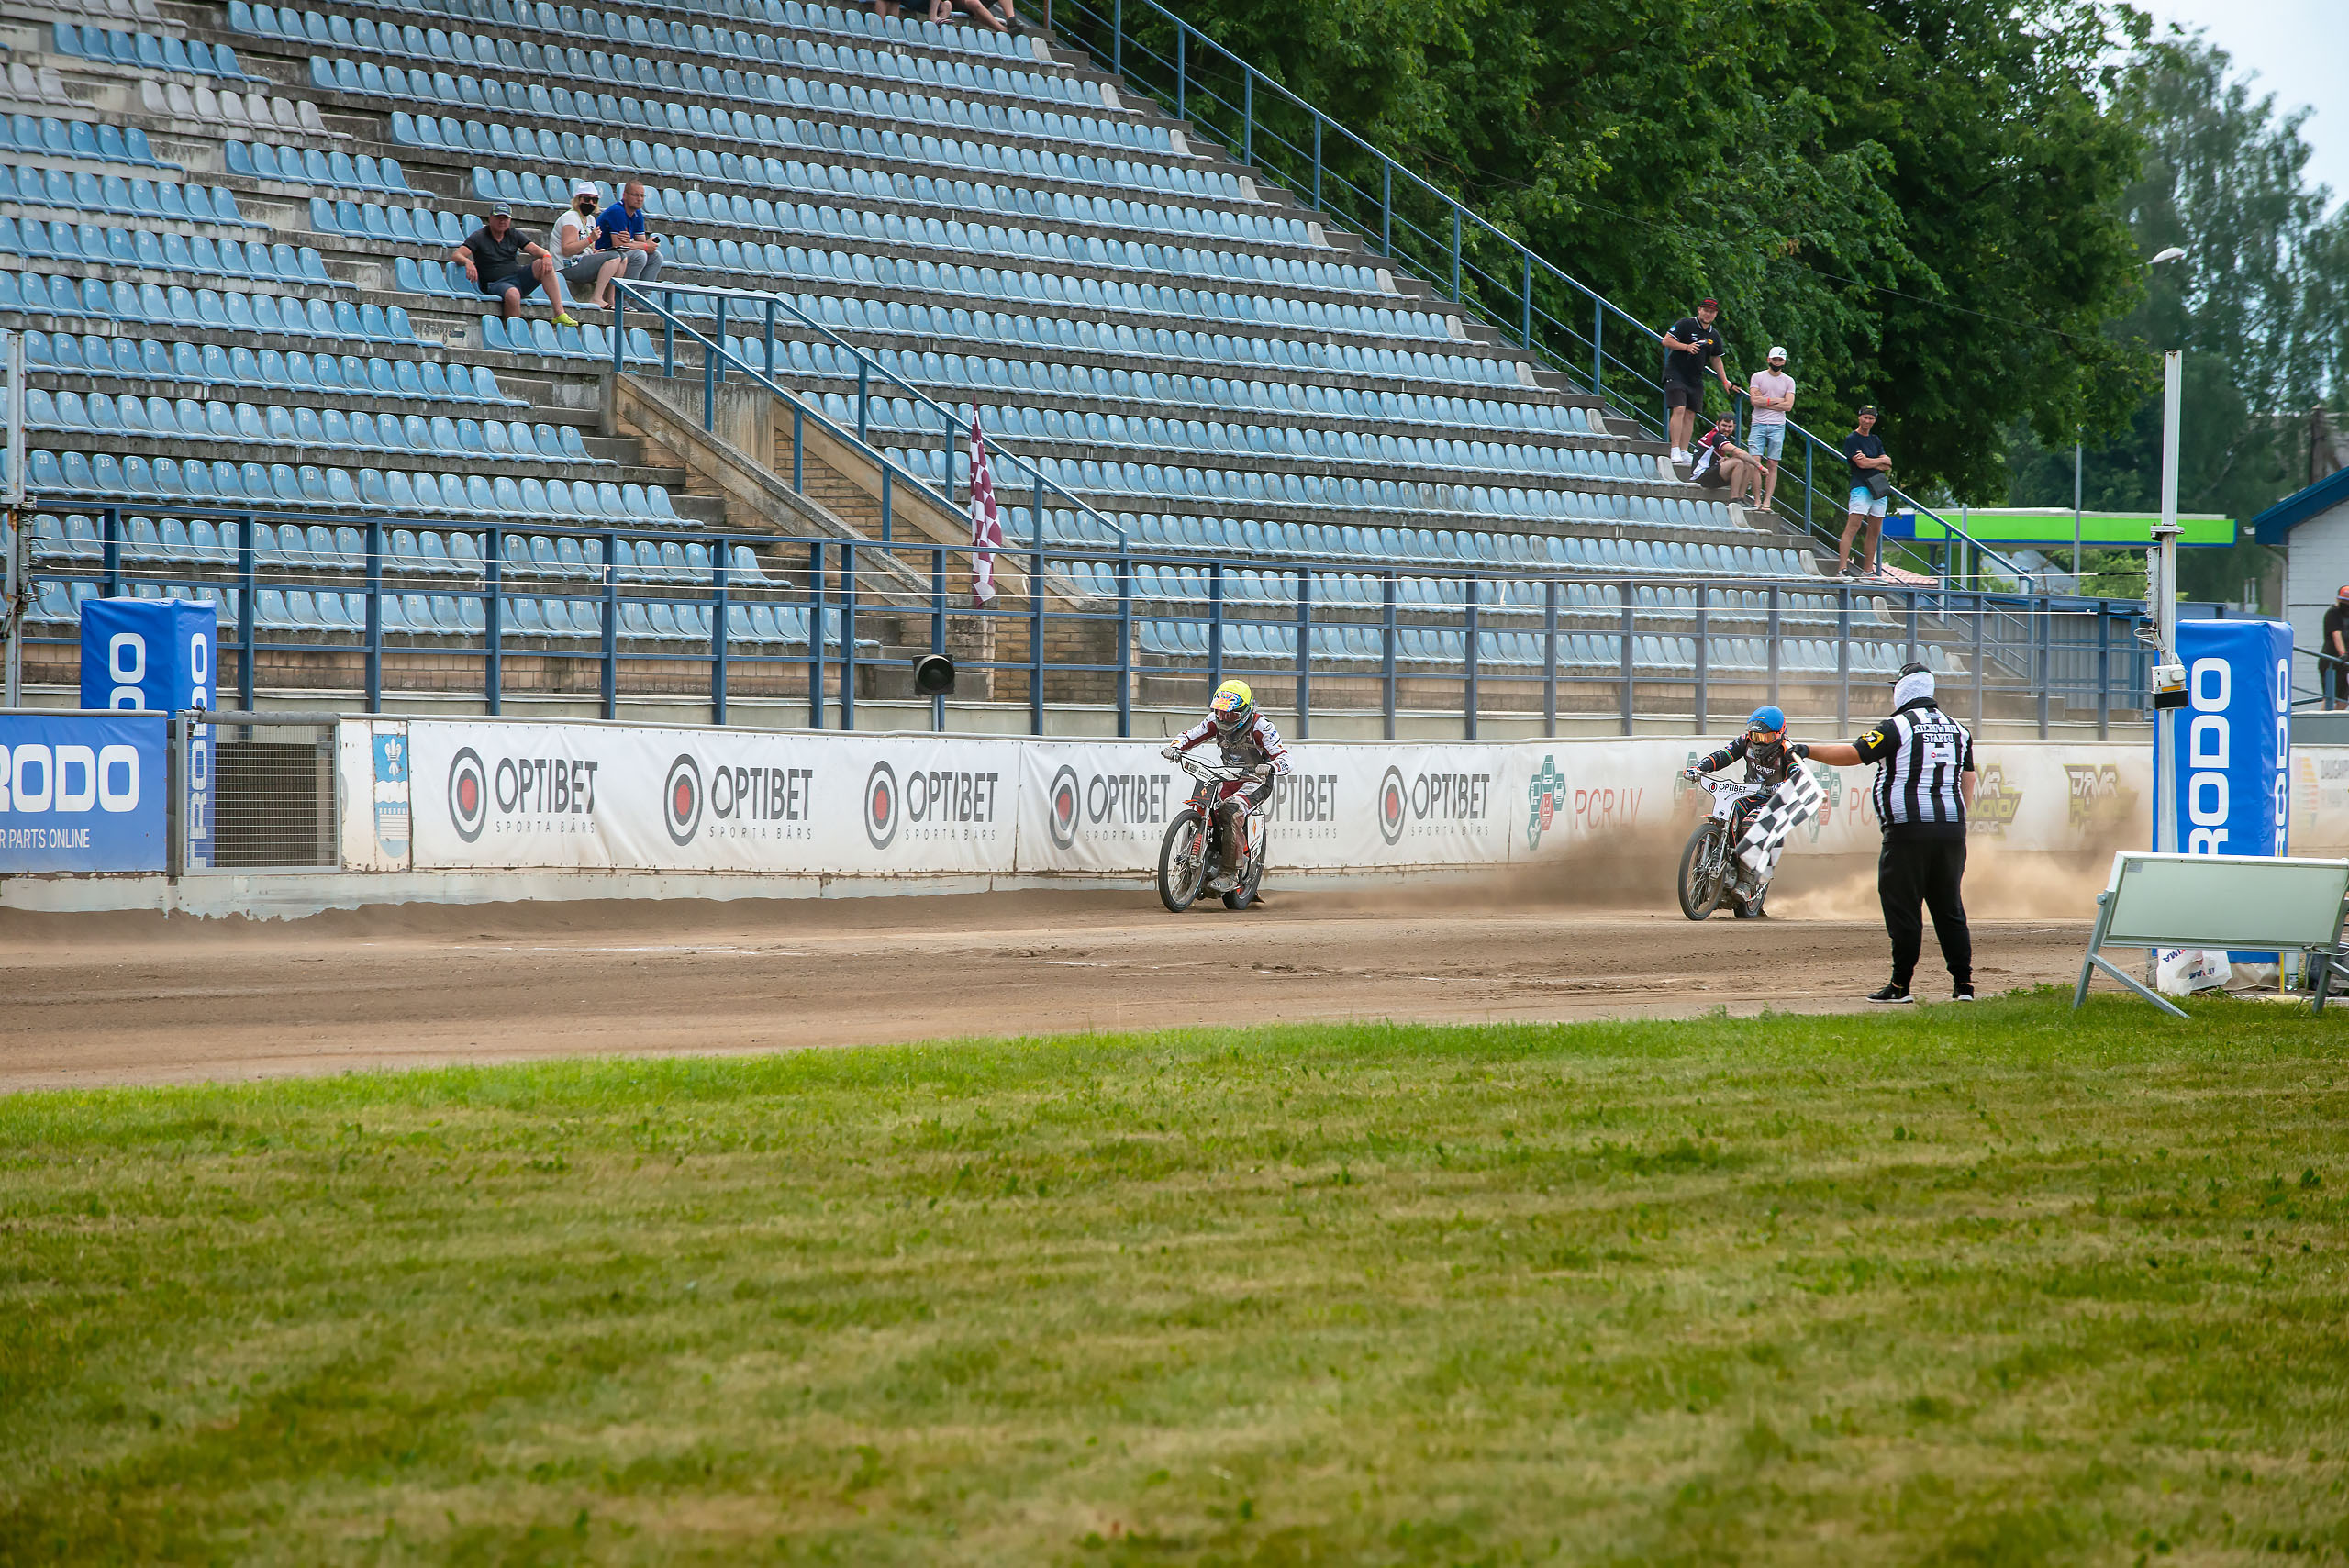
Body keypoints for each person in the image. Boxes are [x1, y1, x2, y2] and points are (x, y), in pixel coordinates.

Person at [1803, 662, 1976, 1003]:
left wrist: (1807, 750)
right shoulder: (1959, 729)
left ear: (1903, 689)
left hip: (1907, 830)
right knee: (1949, 909)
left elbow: (1854, 753)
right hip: (1952, 830)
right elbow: (1968, 778)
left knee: (1903, 909)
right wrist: (1958, 819)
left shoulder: (1897, 726)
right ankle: (1963, 985)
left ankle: (1900, 987)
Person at [1163, 679, 1290, 894]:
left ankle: (1229, 873)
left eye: (1230, 715)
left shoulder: (1262, 726)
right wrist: (1175, 747)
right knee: (1203, 808)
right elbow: (1190, 736)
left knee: (1231, 811)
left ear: (1246, 711)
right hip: (1227, 778)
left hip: (1256, 781)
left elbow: (1286, 758)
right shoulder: (1213, 721)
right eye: (1220, 713)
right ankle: (1195, 865)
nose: (1223, 719)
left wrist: (1270, 767)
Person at [1682, 705, 1809, 918]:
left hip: (1774, 802)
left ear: (1779, 735)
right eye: (1754, 736)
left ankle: (1747, 883)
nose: (1758, 742)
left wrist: (1786, 785)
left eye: (1764, 737)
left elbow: (1800, 776)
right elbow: (1724, 755)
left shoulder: (1789, 751)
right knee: (1723, 819)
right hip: (1747, 795)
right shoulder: (1745, 741)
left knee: (1750, 824)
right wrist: (1700, 768)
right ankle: (1701, 884)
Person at [453, 202, 575, 326]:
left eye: (505, 218)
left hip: (516, 277)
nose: (502, 221)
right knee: (513, 293)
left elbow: (536, 250)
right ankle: (515, 329)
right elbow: (457, 255)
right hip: (494, 283)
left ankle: (559, 313)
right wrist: (468, 262)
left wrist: (547, 256)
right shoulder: (479, 236)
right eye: (498, 218)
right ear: (490, 218)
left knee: (542, 264)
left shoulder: (513, 233)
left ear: (510, 219)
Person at [1659, 297, 1733, 466]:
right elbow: (1666, 340)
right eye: (1705, 310)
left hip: (1695, 378)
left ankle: (1684, 450)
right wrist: (1686, 347)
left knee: (1691, 414)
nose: (1708, 314)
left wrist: (1725, 381)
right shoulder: (1686, 324)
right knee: (1679, 408)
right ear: (1699, 310)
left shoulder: (1714, 335)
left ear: (1716, 314)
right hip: (1676, 373)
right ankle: (1675, 449)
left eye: (1712, 312)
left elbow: (1716, 359)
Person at [1836, 406, 1891, 577]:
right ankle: (1842, 568)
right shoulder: (1852, 439)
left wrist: (1870, 461)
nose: (1867, 421)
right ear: (1859, 417)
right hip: (1861, 486)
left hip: (1878, 488)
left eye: (1871, 419)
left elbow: (1888, 463)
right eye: (1865, 418)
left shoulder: (1875, 439)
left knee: (1874, 530)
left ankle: (1867, 571)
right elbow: (1861, 464)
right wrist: (1878, 462)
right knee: (1853, 526)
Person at [552, 180, 626, 309]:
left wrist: (596, 252)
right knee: (613, 257)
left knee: (623, 257)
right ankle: (596, 298)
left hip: (581, 261)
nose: (591, 203)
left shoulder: (591, 219)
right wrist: (590, 239)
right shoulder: (570, 218)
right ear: (578, 199)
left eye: (594, 200)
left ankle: (611, 298)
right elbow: (567, 250)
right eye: (587, 199)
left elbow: (588, 249)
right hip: (567, 266)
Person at [1745, 347, 1796, 512]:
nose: (1777, 363)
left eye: (1780, 360)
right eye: (1775, 359)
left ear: (1784, 361)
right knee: (1755, 462)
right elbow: (1754, 401)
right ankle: (1756, 500)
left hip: (1777, 426)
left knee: (1773, 463)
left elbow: (1788, 406)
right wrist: (1777, 401)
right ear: (1769, 359)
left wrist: (1765, 401)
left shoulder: (1788, 381)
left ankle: (1767, 501)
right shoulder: (1758, 377)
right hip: (1758, 423)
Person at [594, 182, 665, 287]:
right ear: (625, 195)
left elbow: (640, 242)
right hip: (603, 256)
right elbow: (618, 246)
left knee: (656, 257)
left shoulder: (637, 213)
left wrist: (633, 243)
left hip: (619, 255)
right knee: (639, 255)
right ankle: (627, 296)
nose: (639, 199)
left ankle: (640, 300)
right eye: (635, 195)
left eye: (642, 195)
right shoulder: (617, 211)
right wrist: (645, 246)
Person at [1688, 414, 1764, 505]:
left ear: (1734, 427)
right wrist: (1760, 467)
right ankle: (1734, 499)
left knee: (1749, 465)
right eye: (1724, 425)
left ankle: (1741, 499)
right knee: (1738, 462)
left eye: (1730, 426)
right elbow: (1738, 452)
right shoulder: (1716, 436)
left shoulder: (1722, 437)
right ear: (1717, 424)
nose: (1727, 429)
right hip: (1701, 476)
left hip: (1711, 473)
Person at [2323, 586, 2349, 712]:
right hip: (2331, 662)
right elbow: (2336, 635)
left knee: (2344, 700)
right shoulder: (2333, 613)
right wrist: (2343, 654)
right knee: (2329, 698)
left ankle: (2331, 725)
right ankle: (2321, 725)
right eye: (2343, 602)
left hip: (2344, 664)